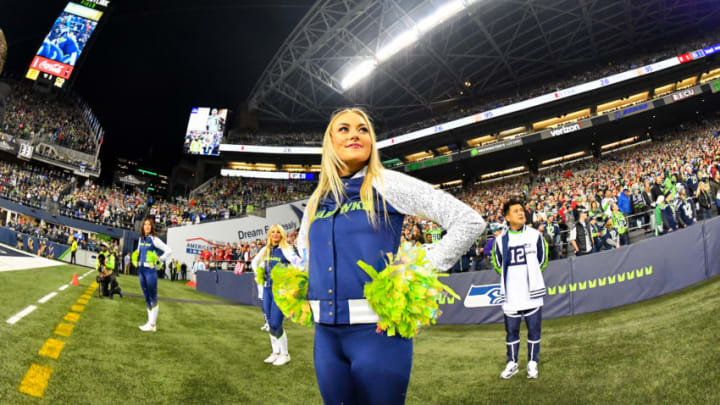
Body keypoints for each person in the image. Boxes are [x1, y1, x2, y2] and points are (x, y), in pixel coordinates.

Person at [295, 108, 485, 404]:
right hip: (325, 338)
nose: (355, 134)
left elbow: (469, 221)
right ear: (329, 142)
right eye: (344, 129)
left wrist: (414, 274)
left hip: (378, 332)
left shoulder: (386, 183)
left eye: (363, 129)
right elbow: (303, 250)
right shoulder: (317, 199)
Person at [491, 199, 548, 380]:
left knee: (534, 330)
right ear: (507, 217)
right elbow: (497, 264)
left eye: (522, 210)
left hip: (532, 293)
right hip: (511, 295)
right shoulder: (500, 241)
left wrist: (531, 277)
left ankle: (532, 362)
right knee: (512, 331)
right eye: (516, 211)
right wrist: (514, 278)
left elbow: (542, 260)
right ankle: (512, 363)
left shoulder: (535, 235)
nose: (521, 213)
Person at [251, 225, 303, 366]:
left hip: (280, 291)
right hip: (267, 289)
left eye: (278, 232)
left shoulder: (286, 249)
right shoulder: (265, 250)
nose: (275, 234)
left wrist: (291, 280)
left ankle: (285, 354)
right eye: (272, 232)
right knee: (269, 323)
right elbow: (254, 263)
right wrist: (259, 273)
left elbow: (301, 265)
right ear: (269, 234)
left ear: (282, 234)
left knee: (275, 323)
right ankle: (276, 352)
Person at [133, 218, 172, 332]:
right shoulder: (141, 238)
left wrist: (159, 259)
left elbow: (168, 250)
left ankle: (153, 325)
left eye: (149, 224)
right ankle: (150, 323)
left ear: (152, 227)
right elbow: (138, 251)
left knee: (153, 296)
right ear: (142, 226)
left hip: (150, 270)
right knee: (146, 296)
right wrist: (135, 258)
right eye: (145, 224)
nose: (147, 226)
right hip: (141, 269)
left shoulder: (154, 239)